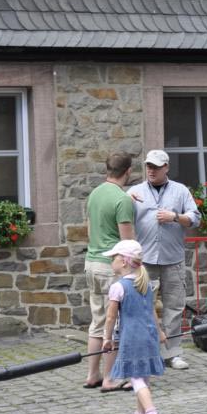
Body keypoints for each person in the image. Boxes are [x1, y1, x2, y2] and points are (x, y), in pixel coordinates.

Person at [127, 150, 201, 370]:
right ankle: (148, 353)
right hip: (144, 260)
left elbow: (196, 218)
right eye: (149, 166)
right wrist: (125, 201)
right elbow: (119, 215)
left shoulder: (180, 191)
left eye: (156, 167)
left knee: (174, 307)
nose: (151, 170)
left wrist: (175, 217)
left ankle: (172, 354)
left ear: (166, 167)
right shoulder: (134, 192)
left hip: (173, 258)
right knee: (142, 306)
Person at [100, 240, 166, 414]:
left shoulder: (118, 287)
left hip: (132, 338)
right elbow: (152, 311)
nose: (111, 262)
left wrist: (107, 339)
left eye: (113, 258)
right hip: (149, 335)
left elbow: (110, 317)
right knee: (143, 378)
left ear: (123, 262)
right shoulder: (145, 283)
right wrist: (160, 332)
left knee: (136, 378)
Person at [83, 152, 135, 391]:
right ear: (128, 171)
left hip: (91, 263)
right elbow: (127, 244)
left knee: (97, 322)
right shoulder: (122, 200)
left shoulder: (95, 194)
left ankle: (92, 375)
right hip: (110, 267)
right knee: (113, 325)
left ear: (108, 169)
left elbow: (90, 230)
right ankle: (110, 378)